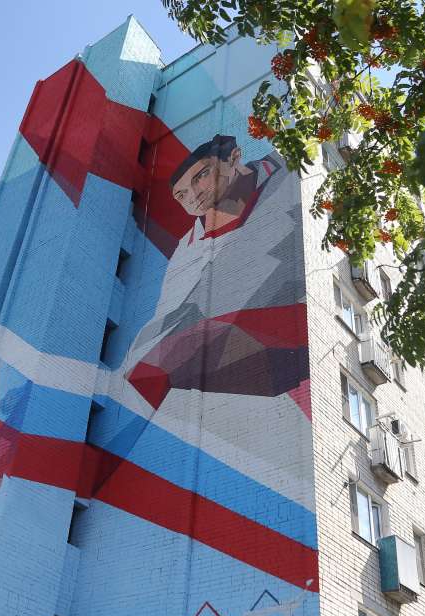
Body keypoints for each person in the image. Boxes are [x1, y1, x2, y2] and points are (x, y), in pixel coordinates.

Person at [123, 134, 310, 415]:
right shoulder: (188, 248)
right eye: (181, 195)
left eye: (201, 176)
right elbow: (168, 316)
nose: (194, 195)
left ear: (234, 158)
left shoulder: (290, 172)